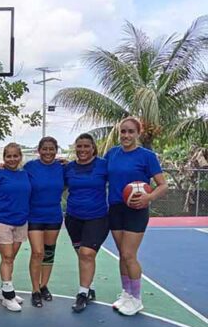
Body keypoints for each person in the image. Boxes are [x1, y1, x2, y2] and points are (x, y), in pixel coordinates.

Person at [105, 117, 167, 316]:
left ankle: (137, 299)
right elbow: (96, 170)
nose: (126, 135)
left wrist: (148, 197)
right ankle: (126, 293)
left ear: (138, 133)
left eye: (131, 131)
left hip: (136, 210)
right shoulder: (112, 154)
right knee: (122, 254)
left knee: (129, 255)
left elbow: (163, 185)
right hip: (115, 209)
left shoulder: (147, 156)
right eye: (123, 131)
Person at [64, 134, 109, 313]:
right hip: (73, 218)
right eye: (79, 146)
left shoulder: (103, 165)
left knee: (87, 253)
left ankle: (82, 294)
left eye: (86, 146)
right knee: (82, 255)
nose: (82, 149)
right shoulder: (68, 168)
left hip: (97, 217)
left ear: (93, 148)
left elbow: (121, 178)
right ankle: (89, 287)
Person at [0, 143, 31, 312]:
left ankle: (4, 290)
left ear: (20, 157)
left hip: (21, 222)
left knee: (11, 258)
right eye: (8, 156)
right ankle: (8, 296)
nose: (12, 159)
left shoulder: (25, 174)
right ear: (4, 157)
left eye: (15, 156)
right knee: (7, 257)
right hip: (2, 221)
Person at [24, 137, 64, 308]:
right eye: (45, 149)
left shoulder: (62, 168)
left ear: (56, 150)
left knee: (48, 252)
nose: (48, 152)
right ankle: (35, 290)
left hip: (54, 215)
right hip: (34, 215)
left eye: (51, 149)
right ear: (39, 150)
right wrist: (2, 166)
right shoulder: (30, 167)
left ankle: (43, 286)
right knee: (37, 252)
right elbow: (14, 172)